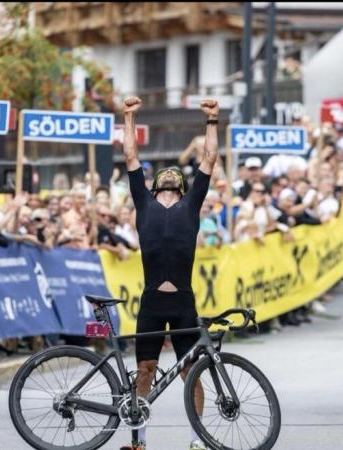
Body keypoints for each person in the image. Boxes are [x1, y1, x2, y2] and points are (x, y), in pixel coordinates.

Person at [121, 95, 218, 450]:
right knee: (145, 370)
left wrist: (211, 121)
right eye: (163, 176)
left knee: (190, 373)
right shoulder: (143, 202)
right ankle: (138, 441)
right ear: (155, 183)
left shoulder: (191, 203)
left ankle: (197, 440)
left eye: (173, 177)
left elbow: (209, 159)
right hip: (151, 303)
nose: (168, 177)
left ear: (179, 184)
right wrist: (128, 117)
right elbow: (130, 157)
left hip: (182, 303)